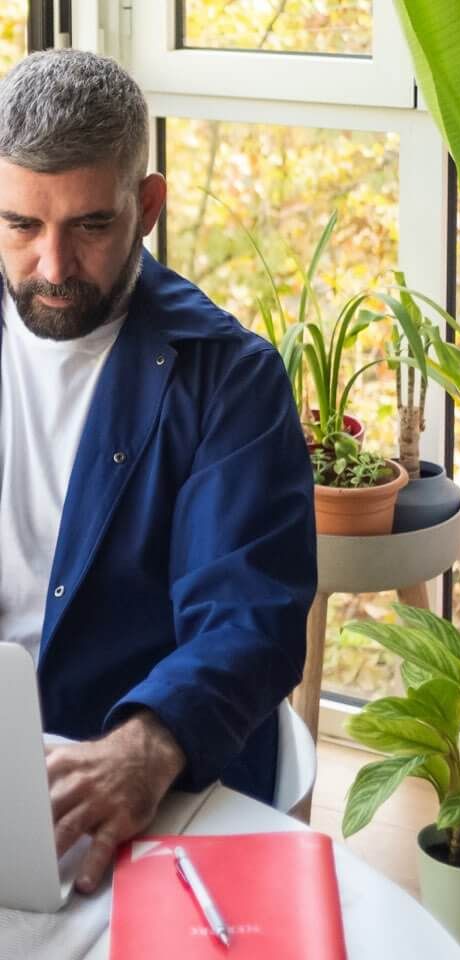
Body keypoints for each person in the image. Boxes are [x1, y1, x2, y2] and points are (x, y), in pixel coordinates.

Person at [0, 49, 316, 894]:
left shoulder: (232, 377)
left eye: (90, 226)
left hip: (142, 775)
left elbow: (249, 618)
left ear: (146, 207)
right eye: (22, 226)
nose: (53, 268)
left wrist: (148, 742)